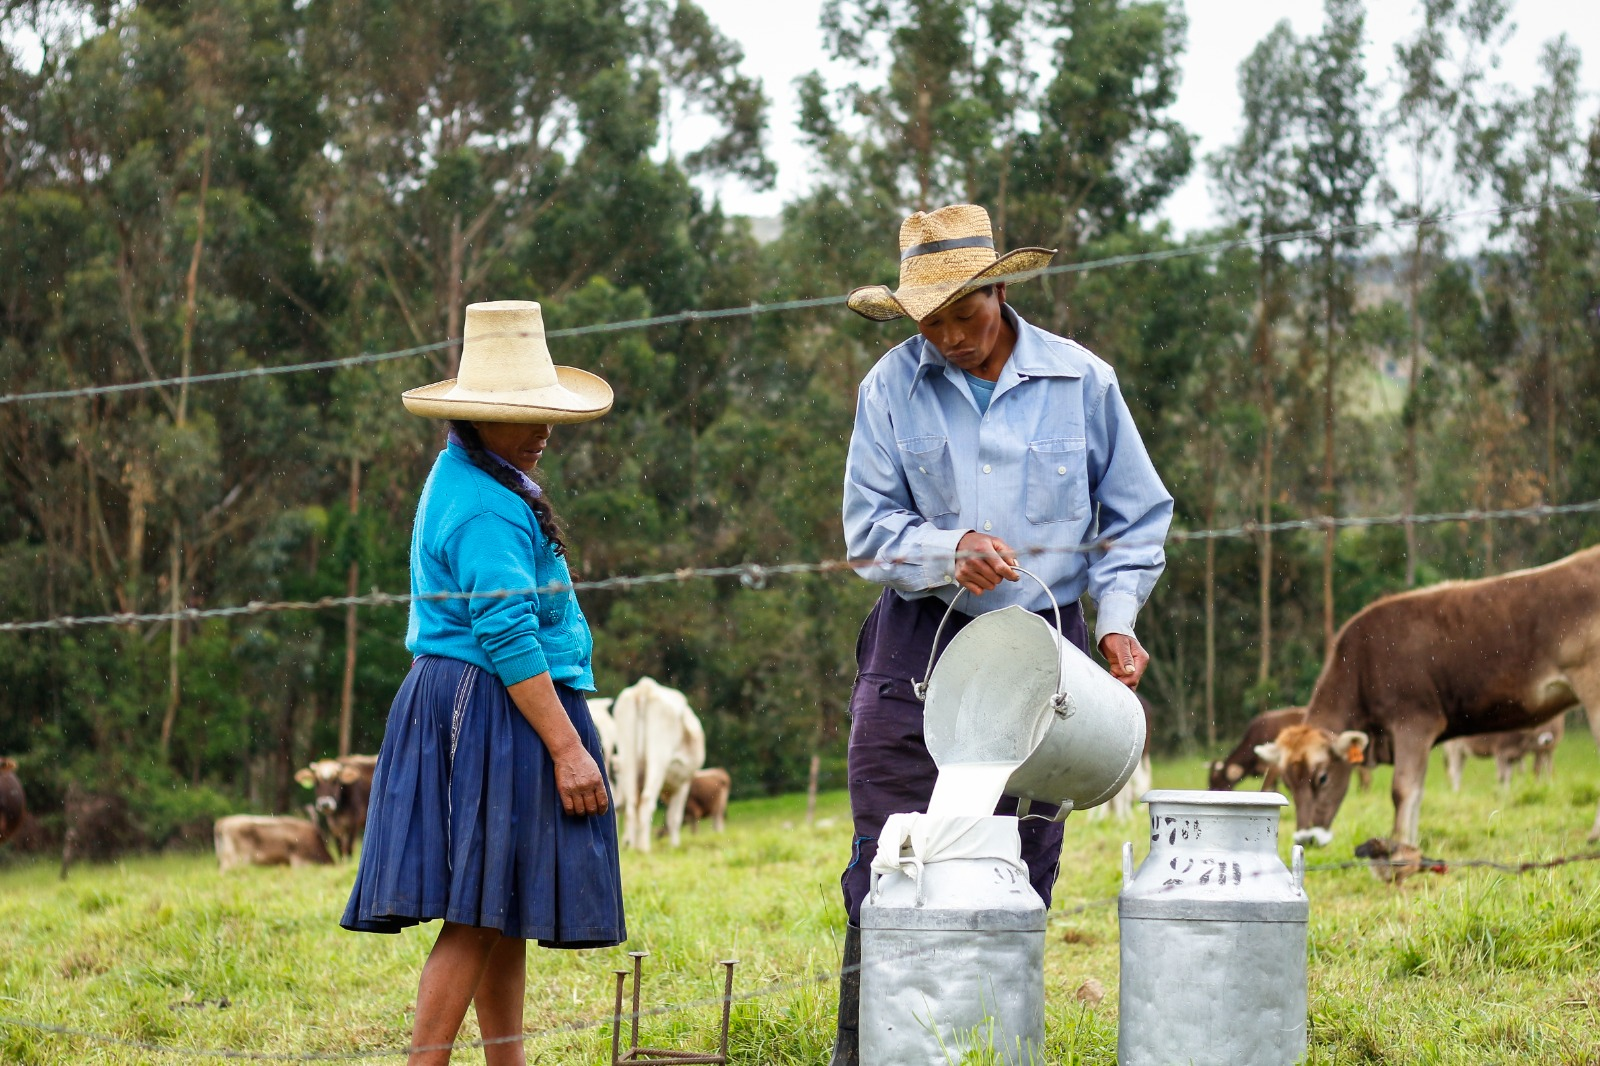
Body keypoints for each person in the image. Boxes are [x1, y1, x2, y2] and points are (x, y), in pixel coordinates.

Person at [829, 204, 1173, 1064]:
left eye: (964, 313)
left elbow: (1135, 522)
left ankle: (991, 1043)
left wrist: (1120, 623)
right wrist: (948, 550)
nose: (948, 336)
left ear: (1001, 290)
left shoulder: (1083, 383)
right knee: (893, 855)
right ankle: (870, 1049)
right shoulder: (889, 389)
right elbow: (867, 530)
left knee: (1018, 856)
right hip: (917, 643)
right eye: (930, 321)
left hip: (1044, 648)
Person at [342, 300, 623, 1066]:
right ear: (473, 416)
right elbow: (509, 638)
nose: (541, 432)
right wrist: (570, 751)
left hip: (490, 696)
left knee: (498, 904)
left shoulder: (481, 472)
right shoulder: (483, 509)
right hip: (491, 700)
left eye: (545, 416)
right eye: (520, 416)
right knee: (474, 911)